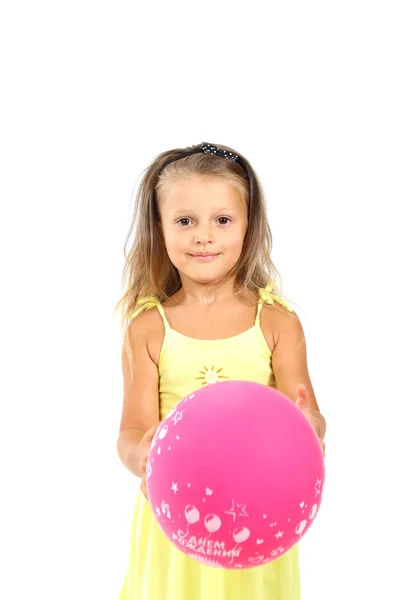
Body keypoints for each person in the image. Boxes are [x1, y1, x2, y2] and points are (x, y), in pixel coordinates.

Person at [115, 142, 326, 600]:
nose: (203, 235)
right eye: (185, 220)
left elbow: (309, 415)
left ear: (249, 228)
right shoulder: (149, 326)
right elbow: (132, 431)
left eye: (223, 220)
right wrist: (143, 457)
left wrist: (308, 428)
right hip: (179, 522)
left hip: (256, 519)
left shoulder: (276, 321)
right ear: (160, 228)